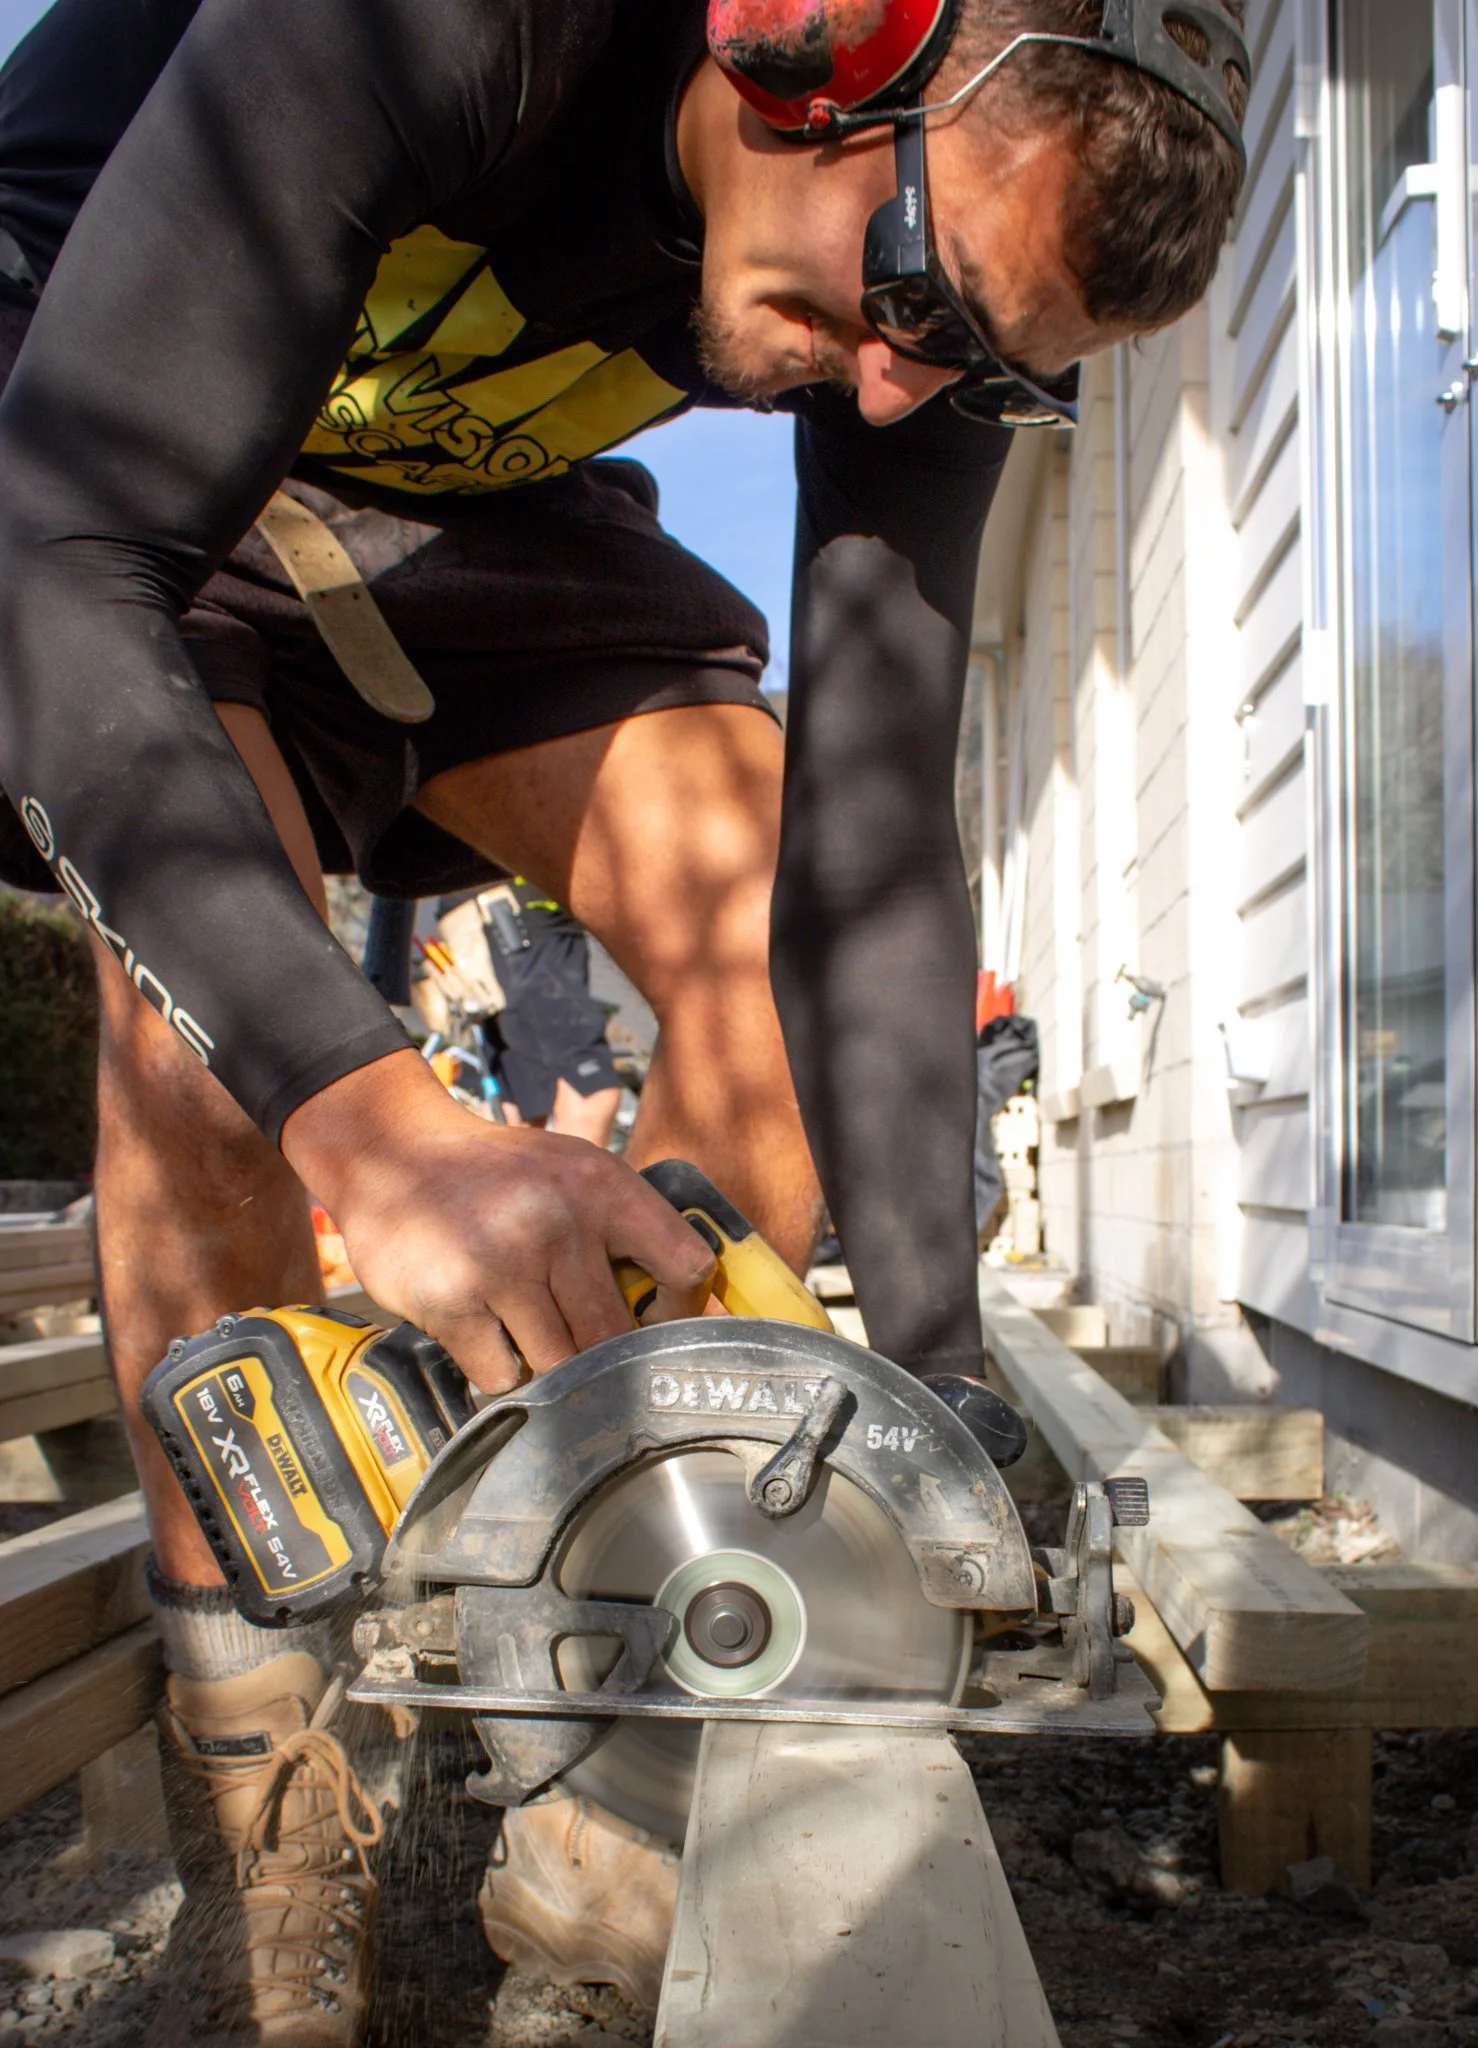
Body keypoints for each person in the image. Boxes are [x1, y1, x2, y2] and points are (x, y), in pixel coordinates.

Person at [0, 0, 1249, 2037]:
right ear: (802, 40)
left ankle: (627, 1752)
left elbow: (868, 847)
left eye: (989, 367)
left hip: (444, 513)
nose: (896, 380)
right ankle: (266, 1776)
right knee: (217, 1032)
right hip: (97, 426)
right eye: (913, 289)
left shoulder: (908, 292)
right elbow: (60, 548)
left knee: (754, 889)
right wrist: (378, 1124)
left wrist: (937, 1391)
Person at [436, 879, 628, 1145]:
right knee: (590, 1093)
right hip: (513, 916)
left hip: (513, 918)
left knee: (520, 1119)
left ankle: (514, 1187)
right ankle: (566, 1188)